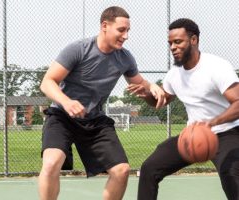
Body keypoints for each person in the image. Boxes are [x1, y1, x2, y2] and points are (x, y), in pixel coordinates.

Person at [38, 6, 166, 200]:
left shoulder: (125, 58)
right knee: (51, 163)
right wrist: (67, 102)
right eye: (121, 30)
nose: (126, 36)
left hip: (94, 120)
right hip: (62, 116)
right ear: (105, 26)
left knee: (121, 170)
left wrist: (152, 87)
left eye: (128, 31)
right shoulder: (79, 49)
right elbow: (47, 82)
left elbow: (139, 84)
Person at [128, 18, 239, 200]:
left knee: (231, 177)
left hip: (228, 133)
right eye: (170, 43)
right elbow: (161, 101)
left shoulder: (217, 67)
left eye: (178, 41)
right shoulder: (174, 74)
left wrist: (212, 123)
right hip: (193, 136)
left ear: (193, 40)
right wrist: (147, 94)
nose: (173, 47)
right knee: (149, 168)